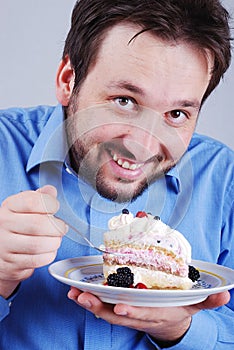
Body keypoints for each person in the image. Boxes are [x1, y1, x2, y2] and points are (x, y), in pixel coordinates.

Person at [0, 0, 233, 348]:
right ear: (68, 80)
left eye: (176, 114)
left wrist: (181, 331)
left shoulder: (224, 178)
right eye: (124, 101)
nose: (142, 146)